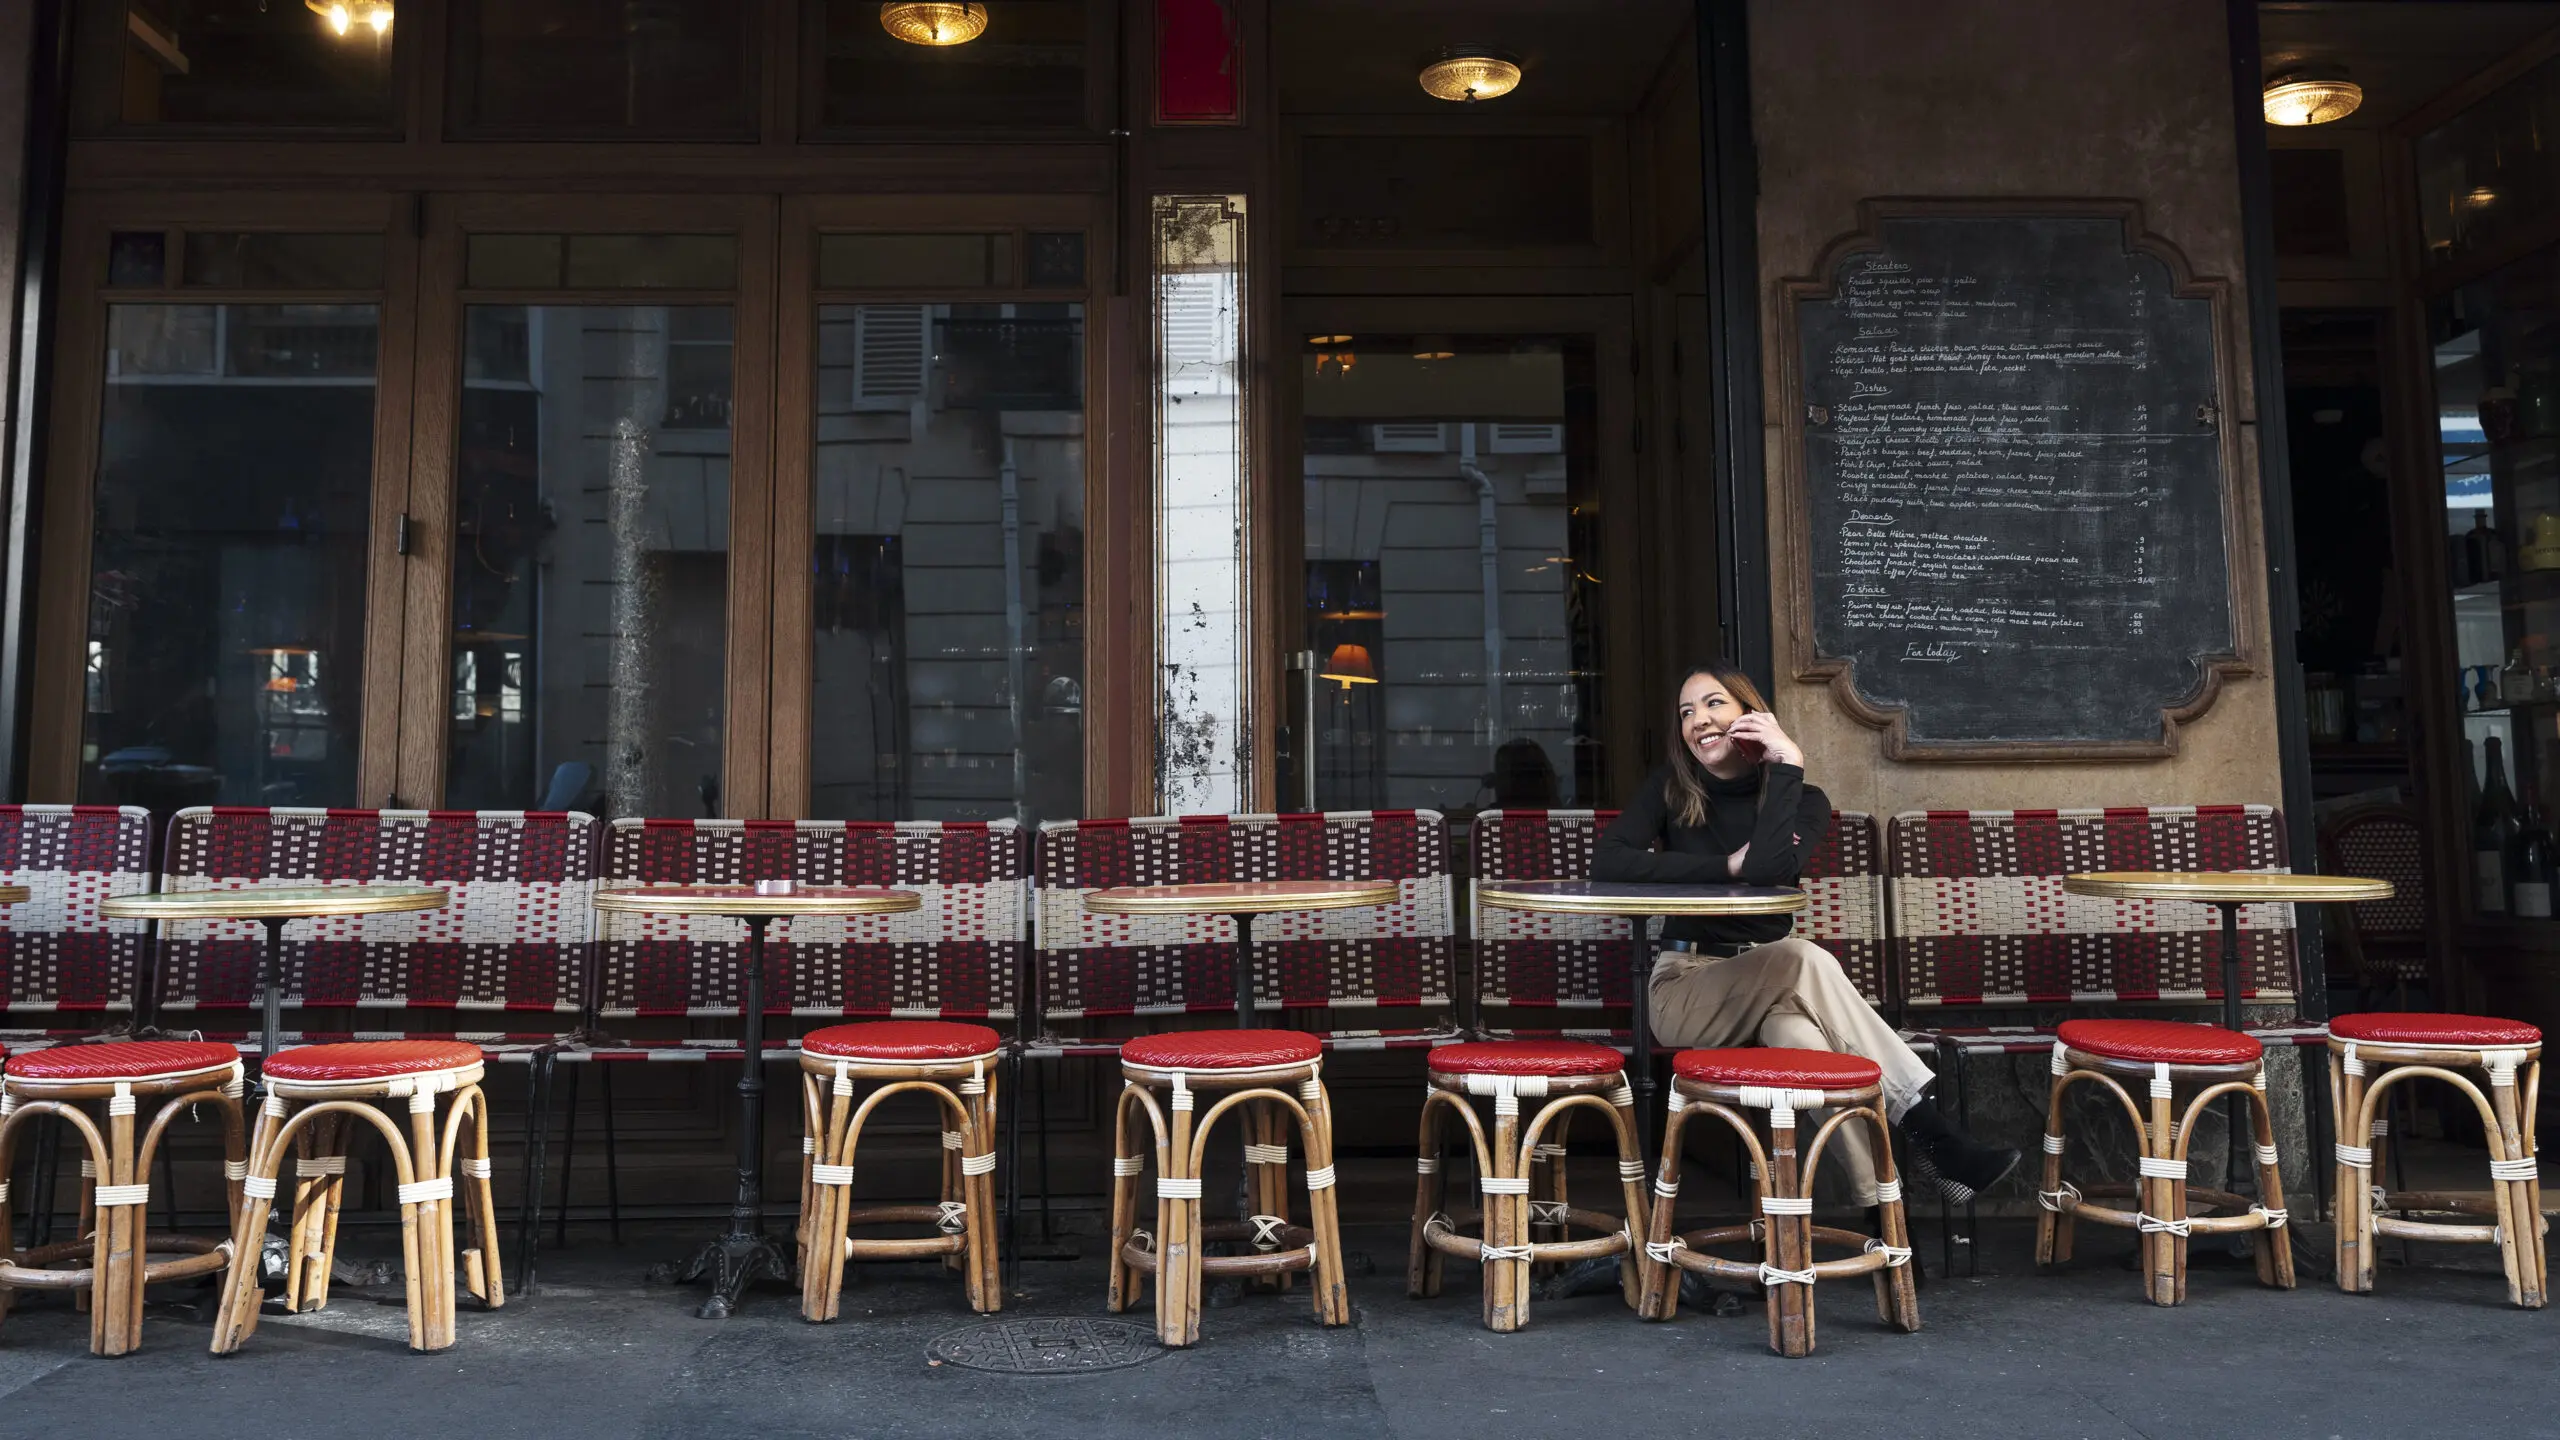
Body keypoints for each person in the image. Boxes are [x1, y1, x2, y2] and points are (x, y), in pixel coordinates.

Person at [1592, 660, 2019, 1208]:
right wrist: (1724, 867)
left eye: (1714, 703)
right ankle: (1933, 1130)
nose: (1698, 719)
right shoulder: (1671, 790)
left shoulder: (1803, 799)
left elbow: (1768, 867)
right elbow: (1608, 861)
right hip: (1688, 987)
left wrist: (1786, 764)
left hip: (1781, 988)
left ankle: (1882, 1205)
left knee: (1807, 1046)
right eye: (1686, 712)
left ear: (1752, 715)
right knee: (1801, 956)